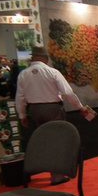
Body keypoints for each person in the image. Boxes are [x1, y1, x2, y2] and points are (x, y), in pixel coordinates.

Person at [15, 46, 89, 184]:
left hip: (33, 110)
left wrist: (22, 115)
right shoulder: (52, 72)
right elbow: (67, 92)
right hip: (52, 109)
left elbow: (20, 97)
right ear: (46, 58)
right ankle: (57, 175)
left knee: (42, 141)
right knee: (57, 140)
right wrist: (79, 107)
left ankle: (40, 169)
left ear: (33, 58)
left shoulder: (23, 74)